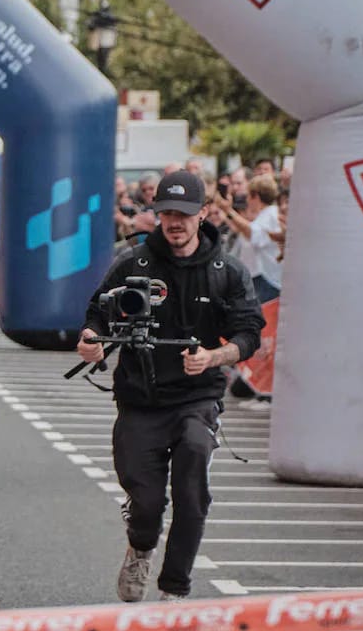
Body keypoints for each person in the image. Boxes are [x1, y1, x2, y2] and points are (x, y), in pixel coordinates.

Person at [76, 169, 264, 603]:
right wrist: (92, 342)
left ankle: (174, 588)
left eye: (184, 213)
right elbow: (97, 314)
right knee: (144, 500)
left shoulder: (227, 272)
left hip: (197, 398)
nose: (174, 222)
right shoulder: (134, 262)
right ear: (156, 215)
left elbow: (250, 333)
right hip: (141, 398)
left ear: (203, 215)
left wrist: (213, 357)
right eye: (166, 213)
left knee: (192, 487)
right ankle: (141, 546)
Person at [214, 175, 283, 304]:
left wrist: (228, 210)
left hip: (266, 281)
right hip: (258, 280)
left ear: (255, 196)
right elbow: (244, 231)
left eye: (248, 196)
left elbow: (253, 234)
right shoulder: (265, 216)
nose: (247, 201)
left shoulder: (271, 214)